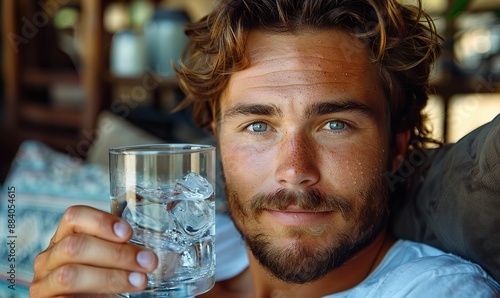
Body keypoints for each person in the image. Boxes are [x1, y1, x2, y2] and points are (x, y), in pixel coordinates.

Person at [30, 0, 500, 297]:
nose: (294, 170)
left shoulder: (438, 290)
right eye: (258, 125)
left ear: (397, 147)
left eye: (334, 124)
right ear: (217, 139)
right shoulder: (169, 254)